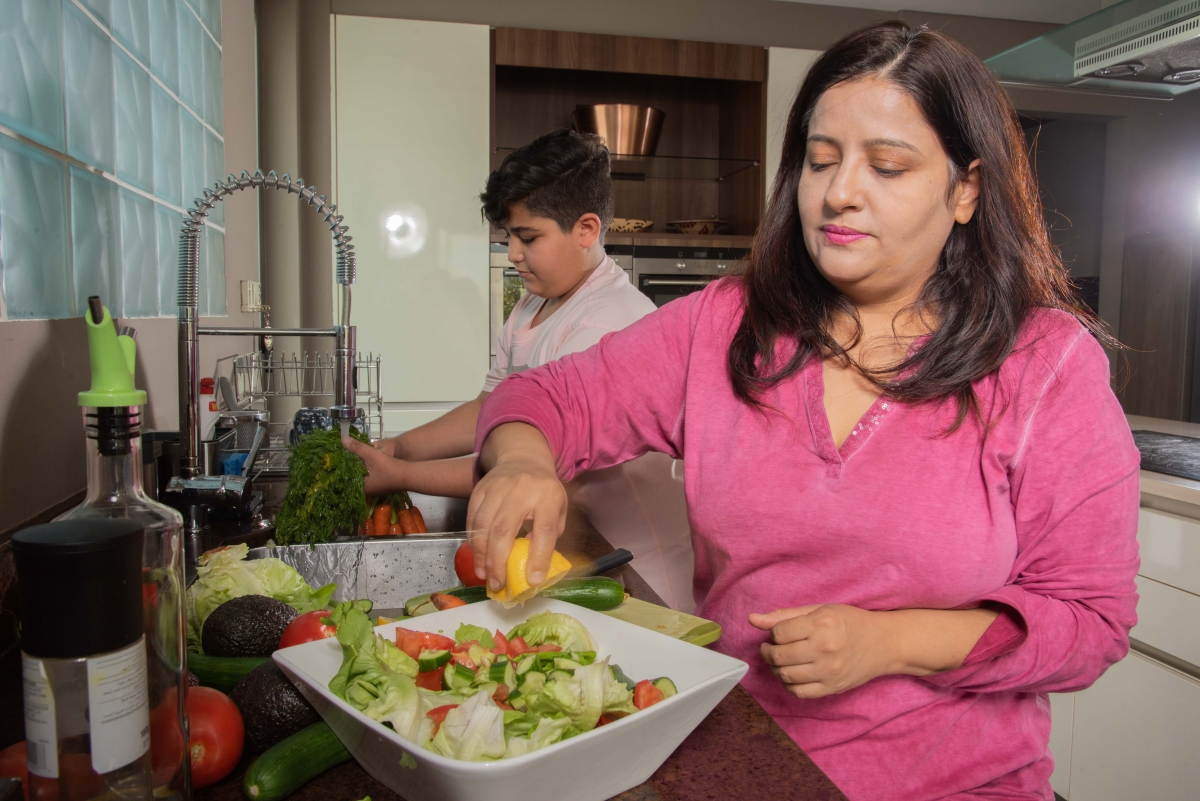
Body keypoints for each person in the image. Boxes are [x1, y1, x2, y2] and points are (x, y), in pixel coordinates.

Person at [464, 22, 1140, 801]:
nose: (839, 191)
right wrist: (521, 459)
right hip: (736, 765)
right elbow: (546, 398)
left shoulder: (1044, 362)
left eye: (887, 165)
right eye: (821, 160)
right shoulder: (725, 324)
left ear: (966, 189)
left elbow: (1090, 622)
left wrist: (890, 642)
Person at [345, 129, 695, 608]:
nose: (512, 253)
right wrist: (402, 446)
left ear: (587, 230)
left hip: (637, 564)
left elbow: (528, 469)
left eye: (528, 237)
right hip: (571, 543)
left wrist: (401, 473)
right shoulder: (533, 304)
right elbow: (491, 409)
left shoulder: (611, 323)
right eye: (509, 236)